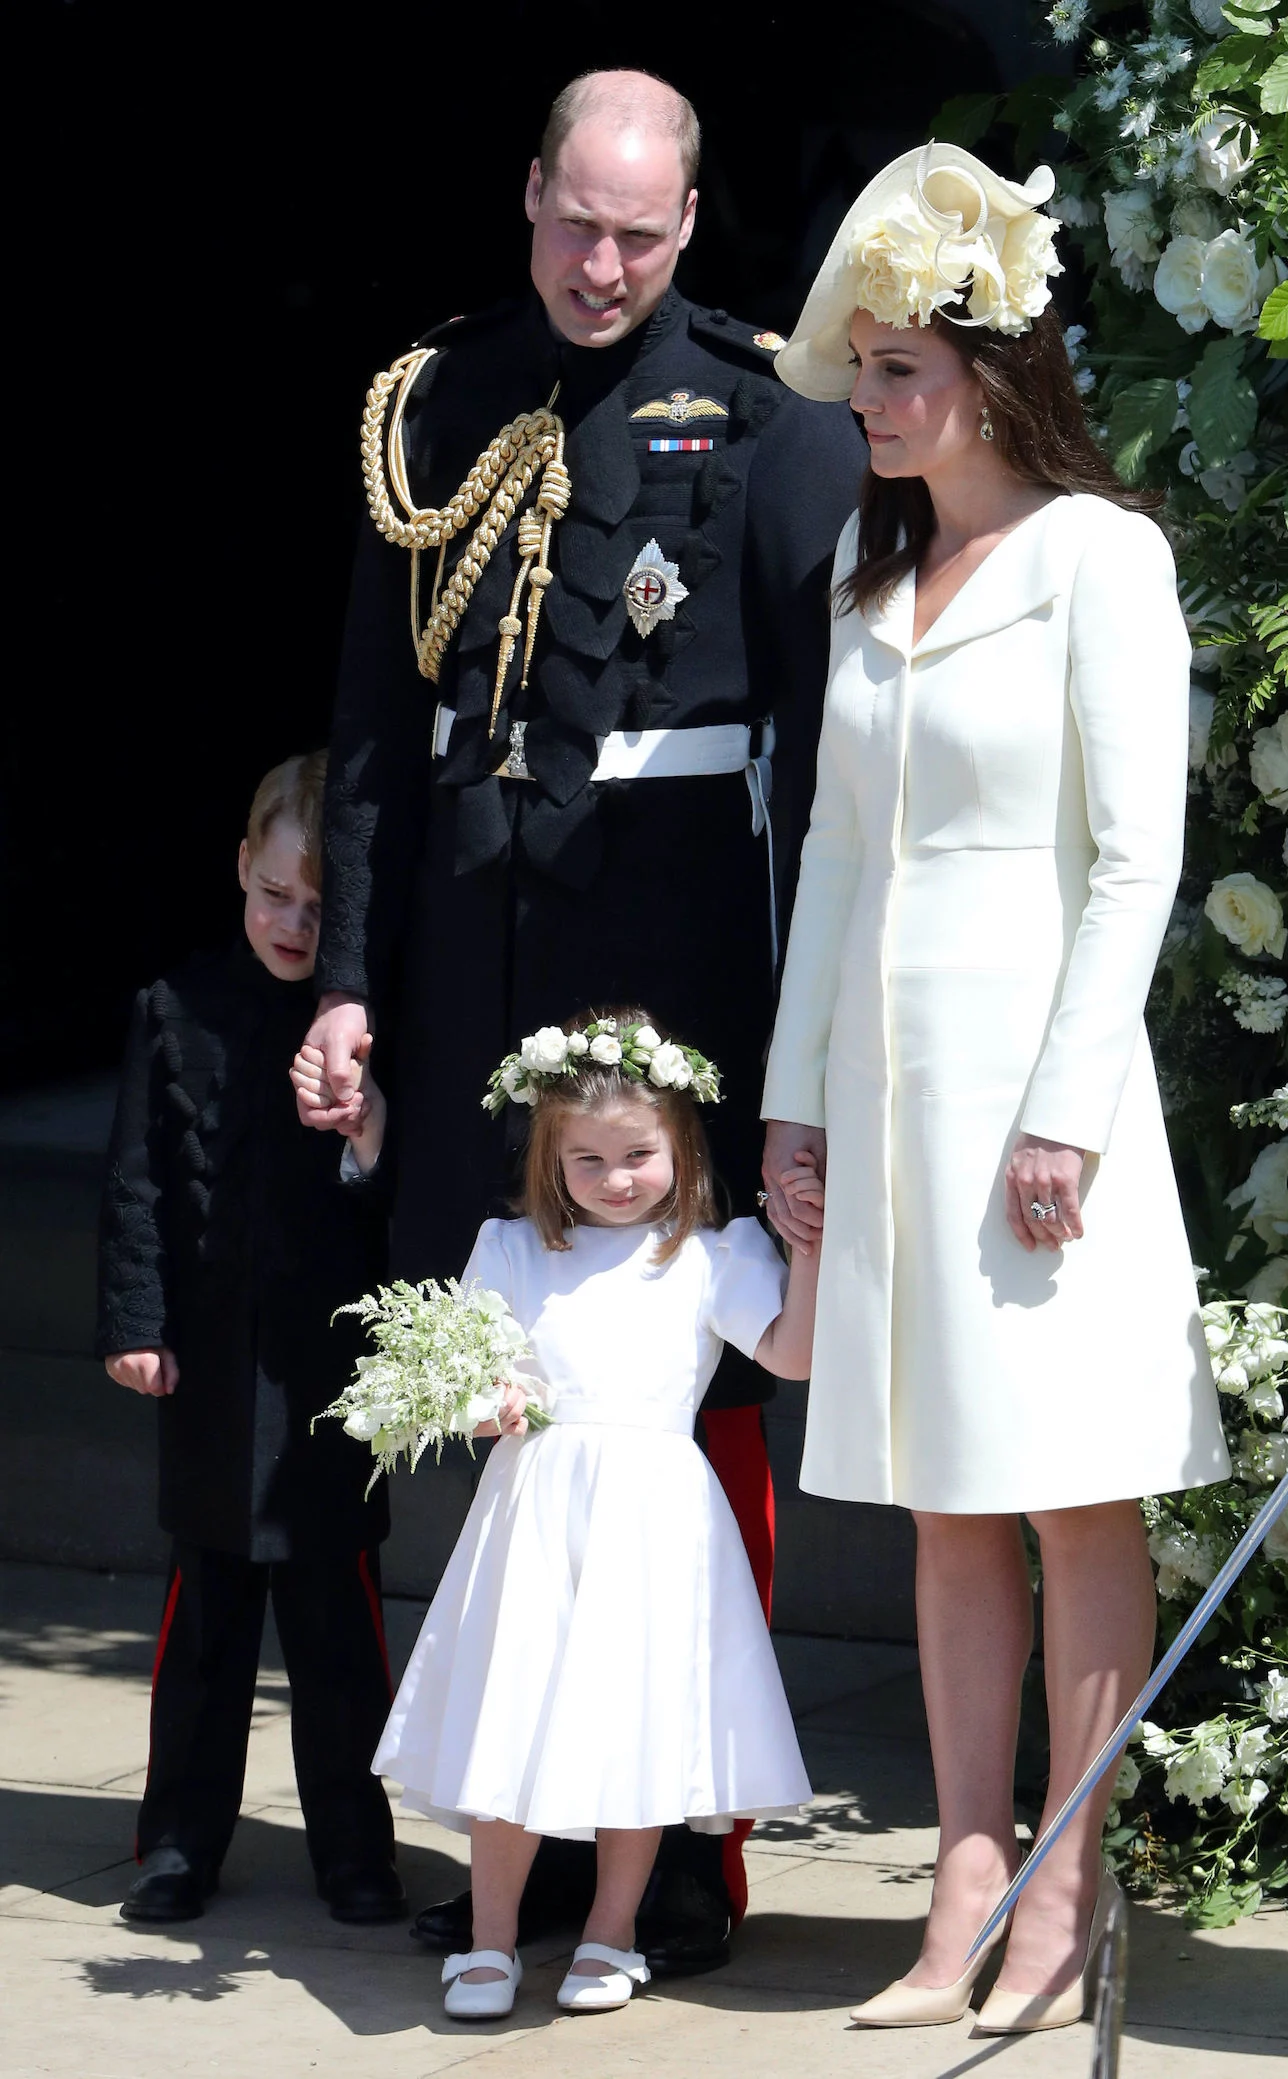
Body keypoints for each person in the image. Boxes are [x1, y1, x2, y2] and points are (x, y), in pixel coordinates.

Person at [298, 67, 865, 1966]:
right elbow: (380, 732)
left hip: (677, 948)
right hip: (478, 957)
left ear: (691, 224)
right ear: (528, 192)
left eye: (638, 231)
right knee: (494, 1379)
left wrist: (809, 1040)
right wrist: (360, 978)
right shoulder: (438, 401)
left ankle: (685, 1832)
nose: (600, 262)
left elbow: (832, 741)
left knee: (684, 1399)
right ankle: (518, 1827)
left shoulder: (772, 414)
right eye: (573, 219)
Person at [758, 144, 1229, 2033]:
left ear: (992, 370)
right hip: (890, 1102)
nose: (868, 401)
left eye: (897, 369)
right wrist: (795, 1108)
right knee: (951, 1500)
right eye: (860, 367)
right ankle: (962, 1870)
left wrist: (1068, 1108)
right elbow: (842, 869)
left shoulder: (1099, 555)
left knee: (1067, 1497)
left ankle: (1064, 1876)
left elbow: (1136, 855)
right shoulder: (877, 578)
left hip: (1044, 1103)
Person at [294, 1008, 822, 2019]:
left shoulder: (715, 1254)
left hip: (656, 1514)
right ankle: (492, 1939)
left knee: (636, 1724)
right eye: (587, 1159)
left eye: (637, 1154)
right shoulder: (510, 1249)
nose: (616, 1177)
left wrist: (806, 1252)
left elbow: (788, 1356)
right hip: (536, 1510)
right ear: (550, 1155)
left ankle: (609, 1932)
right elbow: (472, 1369)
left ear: (680, 1146)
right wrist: (480, 1401)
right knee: (514, 1713)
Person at [96, 753, 403, 1928]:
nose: (292, 921)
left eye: (320, 908)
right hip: (214, 1368)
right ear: (240, 866)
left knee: (337, 1626)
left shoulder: (369, 1033)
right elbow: (137, 1186)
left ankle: (353, 1847)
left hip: (329, 1371)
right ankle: (177, 1840)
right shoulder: (173, 1010)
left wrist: (371, 1138)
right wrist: (136, 1324)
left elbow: (391, 1205)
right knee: (207, 1622)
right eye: (276, 892)